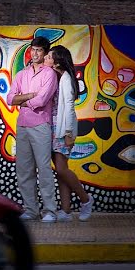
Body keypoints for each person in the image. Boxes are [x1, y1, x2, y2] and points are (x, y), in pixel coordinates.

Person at [5, 36, 59, 222]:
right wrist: (28, 96)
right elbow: (10, 99)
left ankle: (50, 211)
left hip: (41, 126)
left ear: (45, 53)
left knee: (44, 168)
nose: (35, 53)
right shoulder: (22, 74)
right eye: (33, 49)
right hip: (23, 125)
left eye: (39, 50)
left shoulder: (49, 74)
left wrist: (23, 100)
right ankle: (31, 209)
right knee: (24, 169)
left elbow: (42, 100)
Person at [44, 45, 94, 222]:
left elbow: (70, 109)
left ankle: (86, 200)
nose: (45, 59)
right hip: (52, 128)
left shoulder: (65, 78)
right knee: (60, 171)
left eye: (49, 57)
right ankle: (65, 211)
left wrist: (68, 133)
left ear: (57, 61)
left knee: (62, 169)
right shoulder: (55, 77)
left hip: (61, 128)